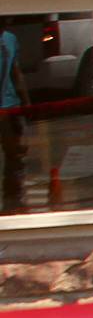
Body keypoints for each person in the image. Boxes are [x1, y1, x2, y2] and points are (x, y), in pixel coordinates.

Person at [0, 19, 24, 215]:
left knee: (13, 154)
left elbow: (16, 72)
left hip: (9, 105)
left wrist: (26, 102)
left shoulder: (10, 40)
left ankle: (12, 196)